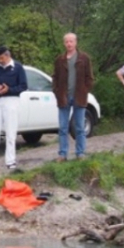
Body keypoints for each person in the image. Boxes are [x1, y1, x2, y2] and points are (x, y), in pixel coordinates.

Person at [52, 32, 94, 161]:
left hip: (79, 97)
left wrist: (84, 90)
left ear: (76, 42)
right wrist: (57, 91)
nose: (69, 44)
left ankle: (80, 153)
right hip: (64, 97)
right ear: (64, 43)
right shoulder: (60, 60)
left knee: (80, 127)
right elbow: (55, 77)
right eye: (66, 41)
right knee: (63, 127)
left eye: (71, 41)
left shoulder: (84, 58)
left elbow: (90, 78)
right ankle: (62, 154)